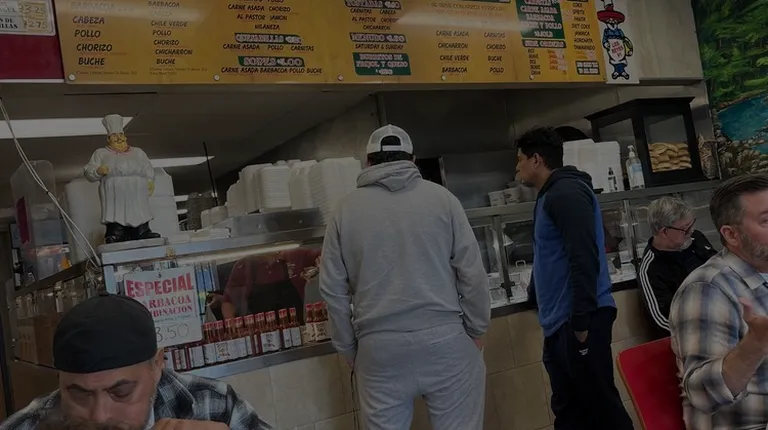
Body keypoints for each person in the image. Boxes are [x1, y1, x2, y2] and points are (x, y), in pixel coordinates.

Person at [319, 124, 490, 430]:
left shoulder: (343, 211)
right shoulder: (444, 199)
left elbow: (332, 290)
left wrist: (348, 348)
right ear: (413, 159)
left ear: (368, 162)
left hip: (379, 349)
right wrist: (476, 329)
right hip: (445, 339)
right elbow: (472, 272)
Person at [1, 294, 270, 430]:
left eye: (121, 392)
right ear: (59, 380)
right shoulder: (27, 426)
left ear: (157, 365)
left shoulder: (213, 404)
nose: (100, 415)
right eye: (80, 395)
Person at [515, 127, 633, 430]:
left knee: (602, 409)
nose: (517, 168)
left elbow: (584, 257)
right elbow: (548, 252)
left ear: (537, 159)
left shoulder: (566, 193)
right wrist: (535, 293)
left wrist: (580, 321)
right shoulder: (549, 195)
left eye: (520, 160)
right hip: (559, 322)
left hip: (579, 319)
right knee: (569, 411)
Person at [670, 174, 768, 429]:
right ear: (731, 235)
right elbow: (701, 396)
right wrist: (756, 344)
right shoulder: (707, 288)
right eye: (767, 220)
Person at [639, 196, 716, 335]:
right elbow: (662, 321)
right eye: (685, 229)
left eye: (692, 224)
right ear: (664, 232)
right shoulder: (650, 269)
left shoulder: (697, 238)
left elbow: (720, 269)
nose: (691, 231)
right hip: (692, 335)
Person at [221, 247, 320, 320]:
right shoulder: (243, 266)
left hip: (298, 328)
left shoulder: (295, 255)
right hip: (262, 332)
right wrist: (235, 330)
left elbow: (324, 254)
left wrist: (320, 263)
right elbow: (228, 303)